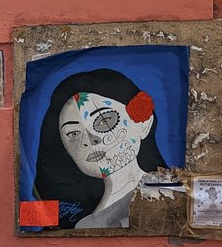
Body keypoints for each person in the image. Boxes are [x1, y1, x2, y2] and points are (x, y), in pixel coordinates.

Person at [33, 69, 167, 230]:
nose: (91, 138)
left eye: (104, 120)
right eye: (74, 133)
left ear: (144, 123)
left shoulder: (170, 192)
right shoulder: (85, 225)